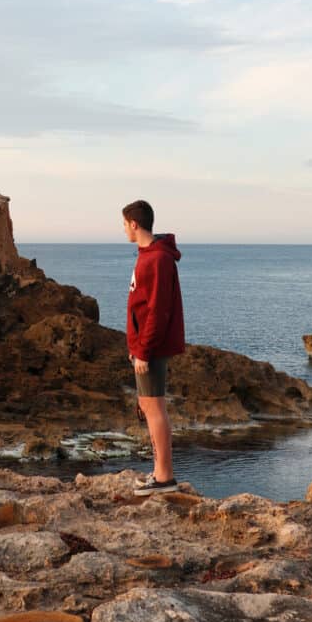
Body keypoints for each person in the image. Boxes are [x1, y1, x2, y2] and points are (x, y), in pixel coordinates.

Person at [122, 199, 185, 496]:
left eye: (124, 224)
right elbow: (141, 307)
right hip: (144, 347)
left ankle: (164, 478)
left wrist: (143, 351)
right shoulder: (147, 255)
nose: (123, 229)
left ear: (134, 224)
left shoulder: (157, 259)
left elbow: (158, 311)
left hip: (152, 349)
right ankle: (159, 473)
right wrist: (135, 347)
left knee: (154, 407)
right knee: (148, 406)